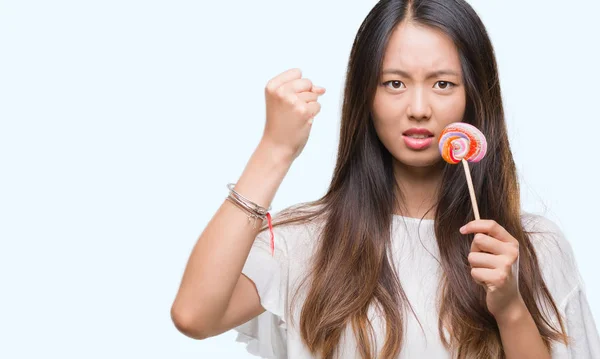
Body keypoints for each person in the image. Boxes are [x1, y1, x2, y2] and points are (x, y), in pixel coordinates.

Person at [170, 0, 600, 358]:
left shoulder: (531, 247)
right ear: (365, 96)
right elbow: (194, 316)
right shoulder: (304, 242)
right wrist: (275, 150)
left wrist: (509, 309)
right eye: (394, 83)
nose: (418, 108)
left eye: (443, 84)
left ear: (475, 97)